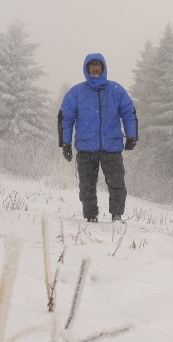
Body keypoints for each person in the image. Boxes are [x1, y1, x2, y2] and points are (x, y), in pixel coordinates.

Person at [58, 53, 138, 223]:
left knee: (117, 184)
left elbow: (129, 113)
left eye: (98, 65)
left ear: (103, 67)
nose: (95, 68)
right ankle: (90, 216)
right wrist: (65, 143)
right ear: (87, 69)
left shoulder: (116, 90)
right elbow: (66, 118)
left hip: (112, 147)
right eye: (91, 65)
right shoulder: (77, 92)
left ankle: (117, 216)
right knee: (87, 186)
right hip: (86, 149)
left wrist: (132, 136)